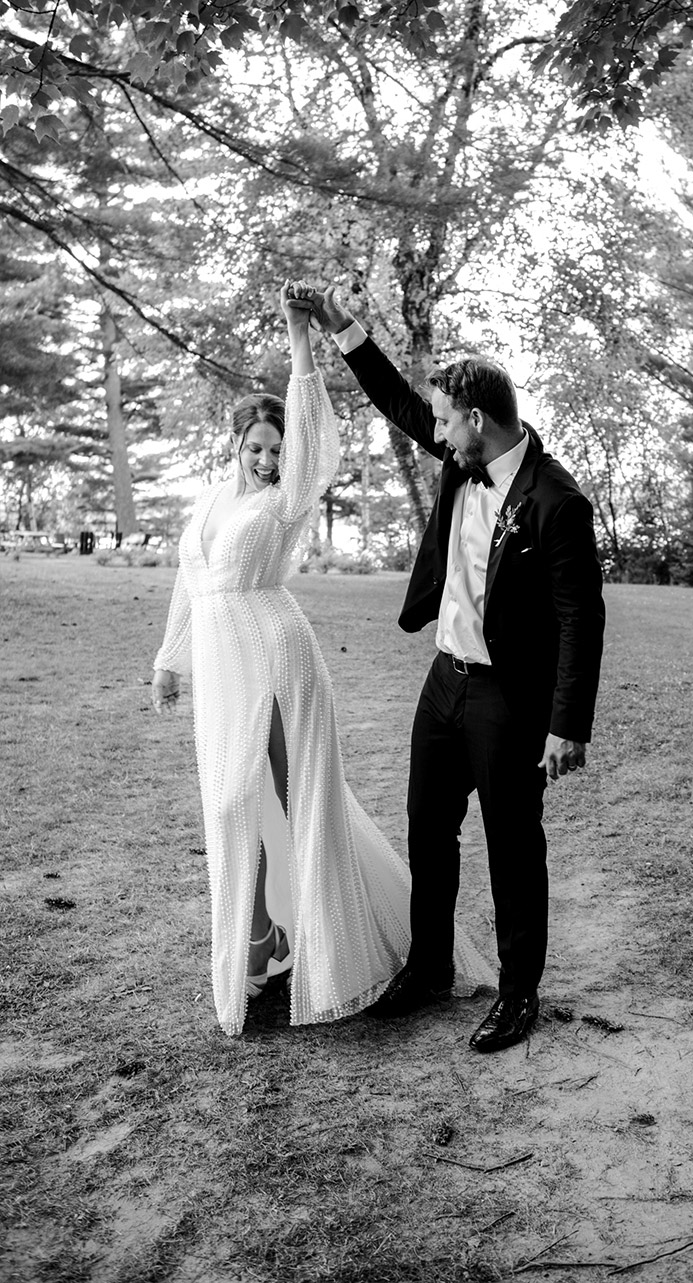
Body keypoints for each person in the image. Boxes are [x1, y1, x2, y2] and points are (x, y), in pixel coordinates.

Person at [151, 284, 492, 1037]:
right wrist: (168, 660)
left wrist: (300, 338)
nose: (270, 458)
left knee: (265, 799)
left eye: (277, 448)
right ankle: (266, 942)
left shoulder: (286, 499)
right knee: (239, 804)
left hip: (275, 657)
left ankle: (308, 945)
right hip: (221, 664)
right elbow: (189, 581)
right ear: (236, 444)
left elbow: (309, 431)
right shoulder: (211, 502)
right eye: (258, 447)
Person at [312, 288, 606, 1053]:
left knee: (512, 842)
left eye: (447, 421)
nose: (436, 432)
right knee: (428, 828)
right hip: (444, 681)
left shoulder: (557, 502)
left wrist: (566, 723)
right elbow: (402, 406)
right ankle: (431, 967)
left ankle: (518, 994)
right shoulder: (462, 457)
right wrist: (343, 328)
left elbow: (582, 617)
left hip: (510, 698)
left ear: (477, 420)